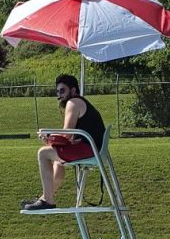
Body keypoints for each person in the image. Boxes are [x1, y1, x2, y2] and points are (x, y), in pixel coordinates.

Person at [22, 74, 108, 212]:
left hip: (90, 149)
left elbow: (67, 134)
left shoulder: (73, 103)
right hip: (93, 148)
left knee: (43, 153)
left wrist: (49, 136)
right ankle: (45, 197)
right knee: (56, 161)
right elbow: (69, 136)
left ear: (73, 90)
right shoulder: (80, 102)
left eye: (63, 91)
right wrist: (52, 140)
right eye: (57, 92)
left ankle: (47, 200)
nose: (59, 95)